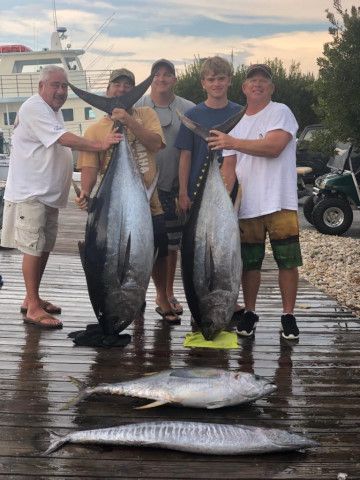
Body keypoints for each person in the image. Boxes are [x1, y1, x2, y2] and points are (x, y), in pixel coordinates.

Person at [1, 65, 121, 329]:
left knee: (43, 246)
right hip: (30, 194)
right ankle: (33, 306)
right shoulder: (34, 108)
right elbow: (64, 140)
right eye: (55, 85)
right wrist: (99, 145)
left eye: (64, 86)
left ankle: (31, 298)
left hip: (48, 196)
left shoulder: (51, 112)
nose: (60, 90)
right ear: (41, 87)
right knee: (33, 248)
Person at [75, 68, 180, 324]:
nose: (121, 90)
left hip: (149, 201)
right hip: (112, 208)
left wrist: (127, 120)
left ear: (134, 91)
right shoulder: (94, 131)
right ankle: (137, 297)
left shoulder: (145, 114)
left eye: (127, 85)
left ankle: (161, 298)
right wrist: (86, 192)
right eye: (117, 85)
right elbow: (89, 166)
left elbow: (155, 144)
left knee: (159, 253)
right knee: (115, 256)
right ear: (108, 90)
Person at [208, 64, 302, 341]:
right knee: (250, 263)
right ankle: (249, 312)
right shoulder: (235, 122)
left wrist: (233, 141)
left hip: (280, 201)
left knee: (287, 261)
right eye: (252, 81)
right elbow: (228, 167)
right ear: (244, 88)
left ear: (271, 88)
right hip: (246, 205)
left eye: (263, 81)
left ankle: (288, 315)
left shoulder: (280, 112)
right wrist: (223, 203)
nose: (257, 84)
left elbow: (274, 148)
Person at [175, 56, 244, 316]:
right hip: (198, 194)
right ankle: (202, 297)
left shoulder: (241, 112)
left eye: (221, 78)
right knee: (199, 249)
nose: (216, 83)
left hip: (233, 189)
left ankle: (230, 295)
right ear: (203, 83)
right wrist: (183, 191)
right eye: (211, 79)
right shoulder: (193, 115)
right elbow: (186, 155)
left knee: (230, 245)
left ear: (229, 81)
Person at [135, 59, 195, 316]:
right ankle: (137, 295)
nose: (161, 79)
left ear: (175, 79)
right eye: (156, 74)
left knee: (170, 246)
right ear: (150, 79)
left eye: (167, 74)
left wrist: (184, 189)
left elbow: (189, 149)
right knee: (140, 245)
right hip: (138, 187)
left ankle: (167, 293)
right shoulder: (137, 105)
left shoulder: (188, 108)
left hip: (171, 185)